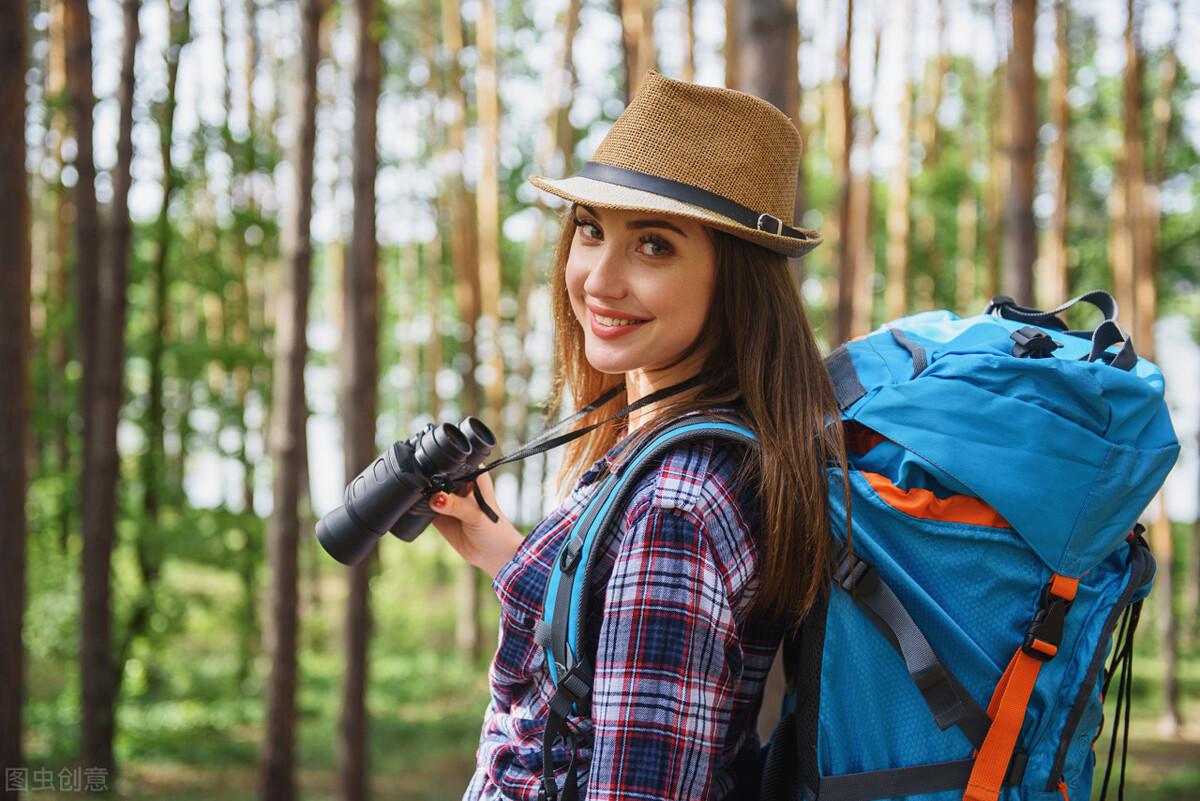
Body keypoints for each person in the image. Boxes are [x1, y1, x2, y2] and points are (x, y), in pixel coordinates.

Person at [429, 69, 849, 801]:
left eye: (653, 245)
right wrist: (508, 551)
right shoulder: (685, 455)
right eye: (591, 230)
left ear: (736, 281)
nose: (598, 278)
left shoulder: (675, 508)